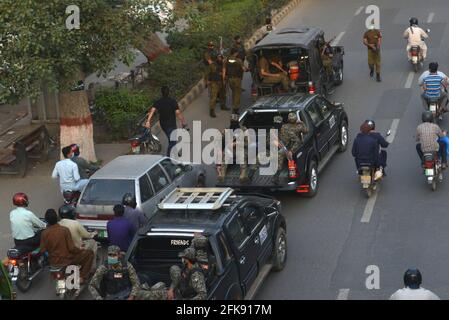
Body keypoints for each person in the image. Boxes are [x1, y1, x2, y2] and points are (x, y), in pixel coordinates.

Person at [40, 209, 94, 285]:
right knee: (89, 253)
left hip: (53, 262)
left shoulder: (44, 233)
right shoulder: (64, 230)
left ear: (46, 221)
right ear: (57, 218)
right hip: (68, 260)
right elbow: (71, 248)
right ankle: (82, 277)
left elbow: (42, 250)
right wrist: (80, 250)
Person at [144, 86, 187, 156]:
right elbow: (178, 113)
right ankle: (168, 157)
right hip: (171, 124)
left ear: (162, 93)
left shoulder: (158, 102)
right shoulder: (173, 101)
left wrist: (148, 121)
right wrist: (183, 122)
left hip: (163, 124)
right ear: (169, 92)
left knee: (171, 139)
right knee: (173, 141)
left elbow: (152, 111)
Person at [58, 205, 98, 271]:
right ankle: (92, 269)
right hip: (76, 251)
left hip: (62, 254)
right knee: (93, 243)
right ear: (72, 214)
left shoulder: (58, 224)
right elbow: (87, 235)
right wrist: (94, 233)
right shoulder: (75, 223)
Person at [272, 113, 308, 184]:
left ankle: (279, 177)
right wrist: (302, 123)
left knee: (286, 159)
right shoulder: (299, 126)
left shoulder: (284, 126)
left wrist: (290, 151)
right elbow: (306, 131)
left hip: (292, 147)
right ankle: (288, 177)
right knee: (288, 160)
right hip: (291, 147)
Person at [224, 48, 246, 113]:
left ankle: (234, 104)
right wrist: (247, 69)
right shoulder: (238, 60)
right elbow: (244, 69)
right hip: (237, 79)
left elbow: (224, 69)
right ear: (235, 53)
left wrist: (224, 79)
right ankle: (235, 109)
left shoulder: (226, 60)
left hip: (230, 79)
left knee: (233, 91)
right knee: (237, 93)